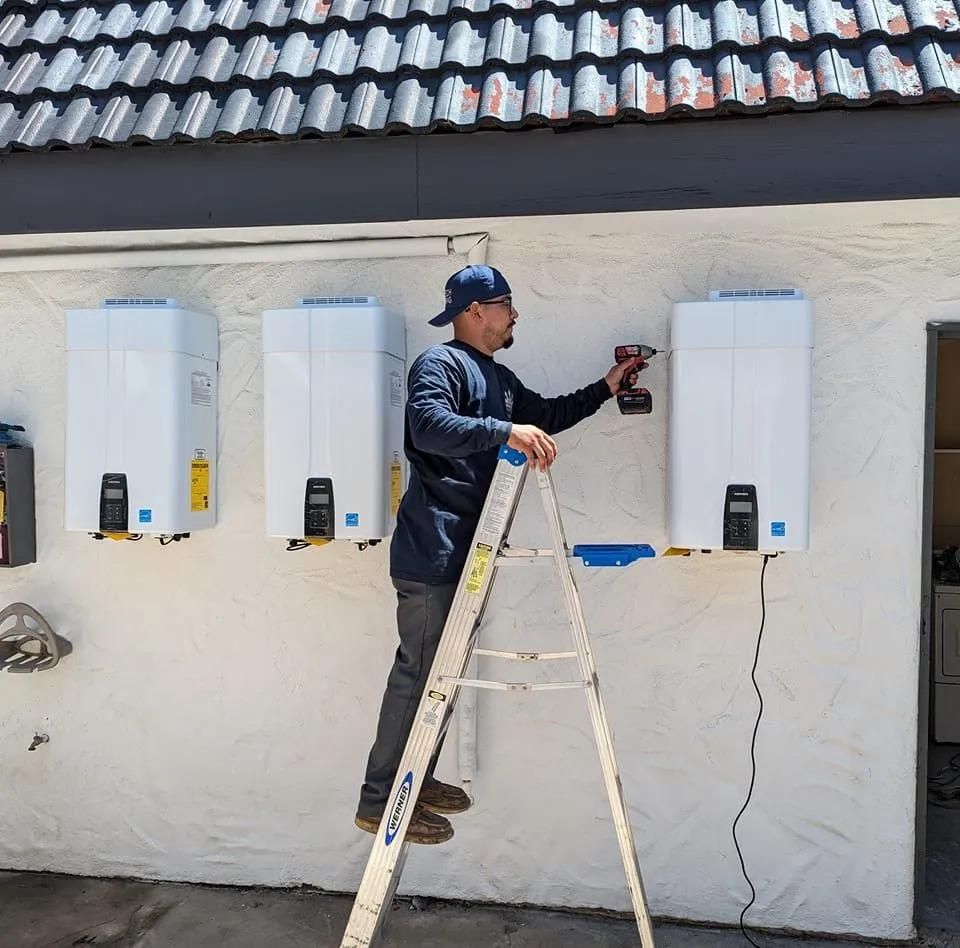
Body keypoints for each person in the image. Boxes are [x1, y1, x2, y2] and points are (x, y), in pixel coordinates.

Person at [355, 265, 646, 844]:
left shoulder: (501, 377)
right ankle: (380, 798)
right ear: (474, 311)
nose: (515, 315)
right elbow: (430, 427)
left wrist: (608, 386)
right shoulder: (440, 365)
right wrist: (503, 431)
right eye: (506, 304)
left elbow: (546, 417)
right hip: (433, 551)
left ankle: (417, 775)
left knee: (442, 674)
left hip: (470, 554)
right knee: (418, 672)